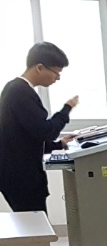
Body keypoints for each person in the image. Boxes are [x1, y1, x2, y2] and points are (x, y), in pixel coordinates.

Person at [0, 42, 77, 212]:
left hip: (18, 175)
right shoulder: (20, 92)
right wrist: (66, 109)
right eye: (56, 73)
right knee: (35, 225)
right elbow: (46, 131)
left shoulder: (14, 89)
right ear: (40, 68)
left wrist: (60, 144)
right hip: (22, 178)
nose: (57, 78)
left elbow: (26, 137)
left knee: (34, 224)